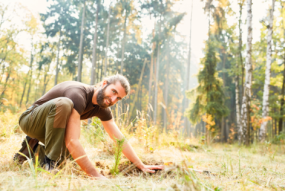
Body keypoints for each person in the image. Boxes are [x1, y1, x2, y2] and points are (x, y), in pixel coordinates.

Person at [14, 74, 163, 179]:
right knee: (65, 104)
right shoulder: (78, 94)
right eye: (113, 92)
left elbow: (118, 138)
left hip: (50, 129)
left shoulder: (102, 107)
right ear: (104, 84)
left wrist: (140, 164)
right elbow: (73, 141)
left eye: (118, 98)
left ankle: (32, 149)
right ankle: (49, 164)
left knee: (69, 160)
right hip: (31, 120)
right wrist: (95, 175)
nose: (112, 99)